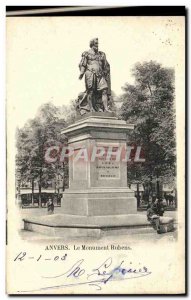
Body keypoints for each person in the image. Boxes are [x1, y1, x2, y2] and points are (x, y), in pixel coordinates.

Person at [78, 38, 111, 113]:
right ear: (92, 45)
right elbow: (83, 64)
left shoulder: (101, 54)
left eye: (97, 43)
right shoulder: (87, 54)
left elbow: (105, 65)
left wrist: (105, 72)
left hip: (100, 75)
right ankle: (91, 108)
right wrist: (82, 73)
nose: (97, 45)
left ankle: (106, 108)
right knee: (91, 92)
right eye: (96, 43)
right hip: (90, 74)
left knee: (104, 90)